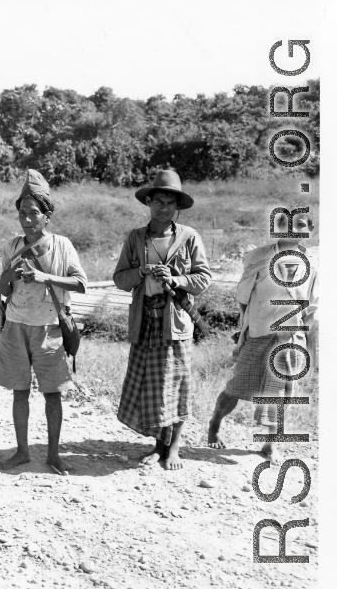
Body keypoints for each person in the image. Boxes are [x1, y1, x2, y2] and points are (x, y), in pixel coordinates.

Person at [113, 170, 212, 470]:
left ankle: (175, 449)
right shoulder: (136, 238)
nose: (163, 207)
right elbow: (119, 278)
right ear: (149, 203)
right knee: (153, 387)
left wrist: (177, 278)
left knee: (178, 386)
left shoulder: (189, 237)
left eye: (170, 202)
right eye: (158, 201)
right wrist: (141, 272)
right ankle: (158, 446)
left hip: (177, 322)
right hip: (145, 322)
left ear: (177, 207)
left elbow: (204, 278)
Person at [0, 170, 87, 474]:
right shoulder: (10, 246)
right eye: (23, 213)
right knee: (20, 392)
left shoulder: (62, 246)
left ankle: (53, 454)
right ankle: (21, 452)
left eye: (35, 213)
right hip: (16, 325)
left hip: (50, 328)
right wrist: (11, 274)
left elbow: (80, 283)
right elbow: (3, 290)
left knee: (52, 393)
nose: (28, 219)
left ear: (48, 216)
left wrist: (45, 277)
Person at [207, 210, 317, 464]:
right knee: (236, 388)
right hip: (258, 333)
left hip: (291, 339)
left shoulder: (314, 263)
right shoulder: (257, 258)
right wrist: (244, 330)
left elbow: (312, 306)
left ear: (308, 230)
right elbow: (243, 299)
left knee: (282, 395)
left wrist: (308, 341)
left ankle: (270, 445)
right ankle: (214, 423)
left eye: (299, 224)